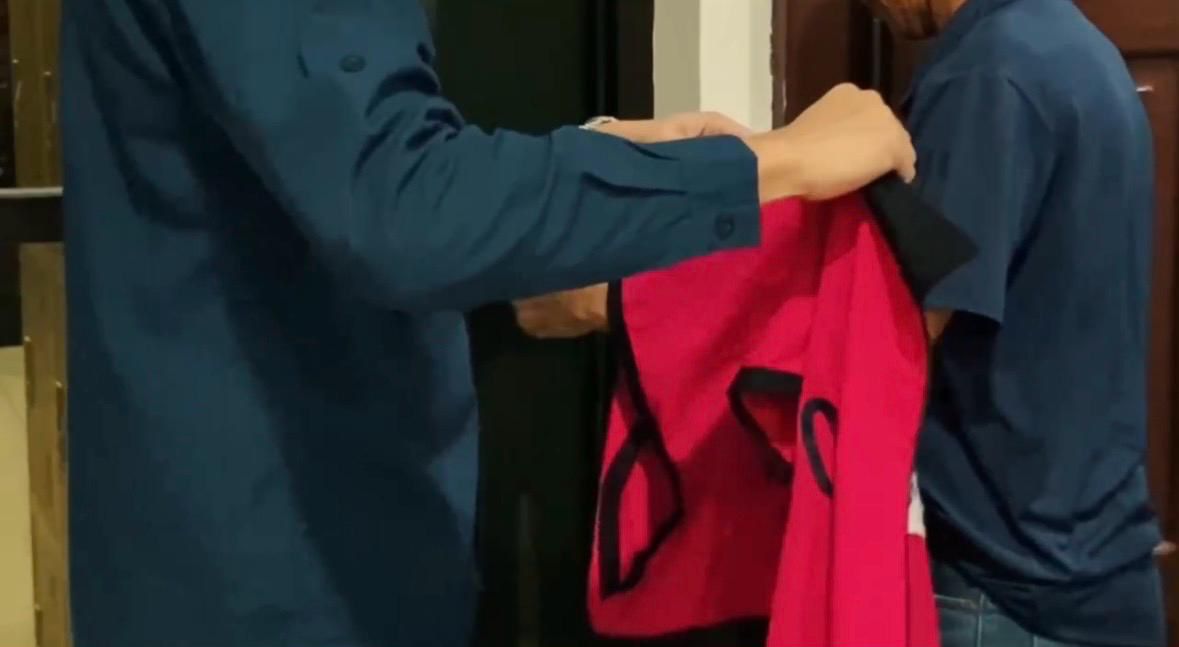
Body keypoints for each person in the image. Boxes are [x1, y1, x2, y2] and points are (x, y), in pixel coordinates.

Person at [58, 1, 916, 647]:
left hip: (267, 550)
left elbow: (318, 181)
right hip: (281, 569)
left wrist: (577, 200)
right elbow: (398, 205)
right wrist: (768, 163)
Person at [524, 1, 1164, 646]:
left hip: (1002, 586)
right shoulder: (1072, 47)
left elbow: (879, 327)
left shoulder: (989, 74)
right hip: (1095, 558)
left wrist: (612, 301)